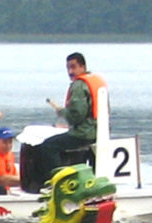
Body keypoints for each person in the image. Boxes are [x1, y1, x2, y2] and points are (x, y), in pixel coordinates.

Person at [27, 52, 106, 193]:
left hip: (84, 134)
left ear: (83, 66)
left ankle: (58, 184)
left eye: (74, 67)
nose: (70, 71)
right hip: (99, 132)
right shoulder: (96, 82)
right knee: (73, 144)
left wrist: (62, 112)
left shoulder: (79, 85)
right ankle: (90, 182)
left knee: (48, 146)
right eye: (68, 68)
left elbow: (77, 115)